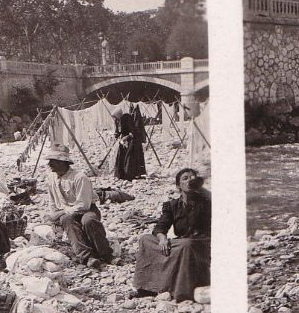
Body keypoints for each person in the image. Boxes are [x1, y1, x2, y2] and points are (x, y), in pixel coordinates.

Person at [132, 167, 211, 301]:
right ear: (178, 185)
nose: (189, 181)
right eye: (185, 178)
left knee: (186, 244)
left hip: (199, 243)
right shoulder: (172, 205)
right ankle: (147, 288)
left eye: (192, 178)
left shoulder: (206, 202)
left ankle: (181, 291)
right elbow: (160, 227)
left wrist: (200, 186)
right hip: (181, 243)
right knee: (146, 239)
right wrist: (162, 239)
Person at [43, 143, 114, 266]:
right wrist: (53, 215)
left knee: (89, 221)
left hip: (86, 210)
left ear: (63, 162)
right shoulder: (51, 178)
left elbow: (83, 205)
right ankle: (86, 257)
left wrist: (61, 212)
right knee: (66, 220)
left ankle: (106, 254)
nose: (49, 164)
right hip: (67, 212)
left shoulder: (80, 178)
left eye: (52, 161)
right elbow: (52, 201)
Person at [114, 104, 148, 180]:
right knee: (122, 155)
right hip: (125, 140)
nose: (115, 119)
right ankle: (122, 174)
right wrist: (117, 136)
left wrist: (127, 137)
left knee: (131, 157)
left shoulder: (126, 118)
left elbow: (133, 131)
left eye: (115, 117)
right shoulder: (118, 121)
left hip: (133, 140)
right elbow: (119, 131)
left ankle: (131, 174)